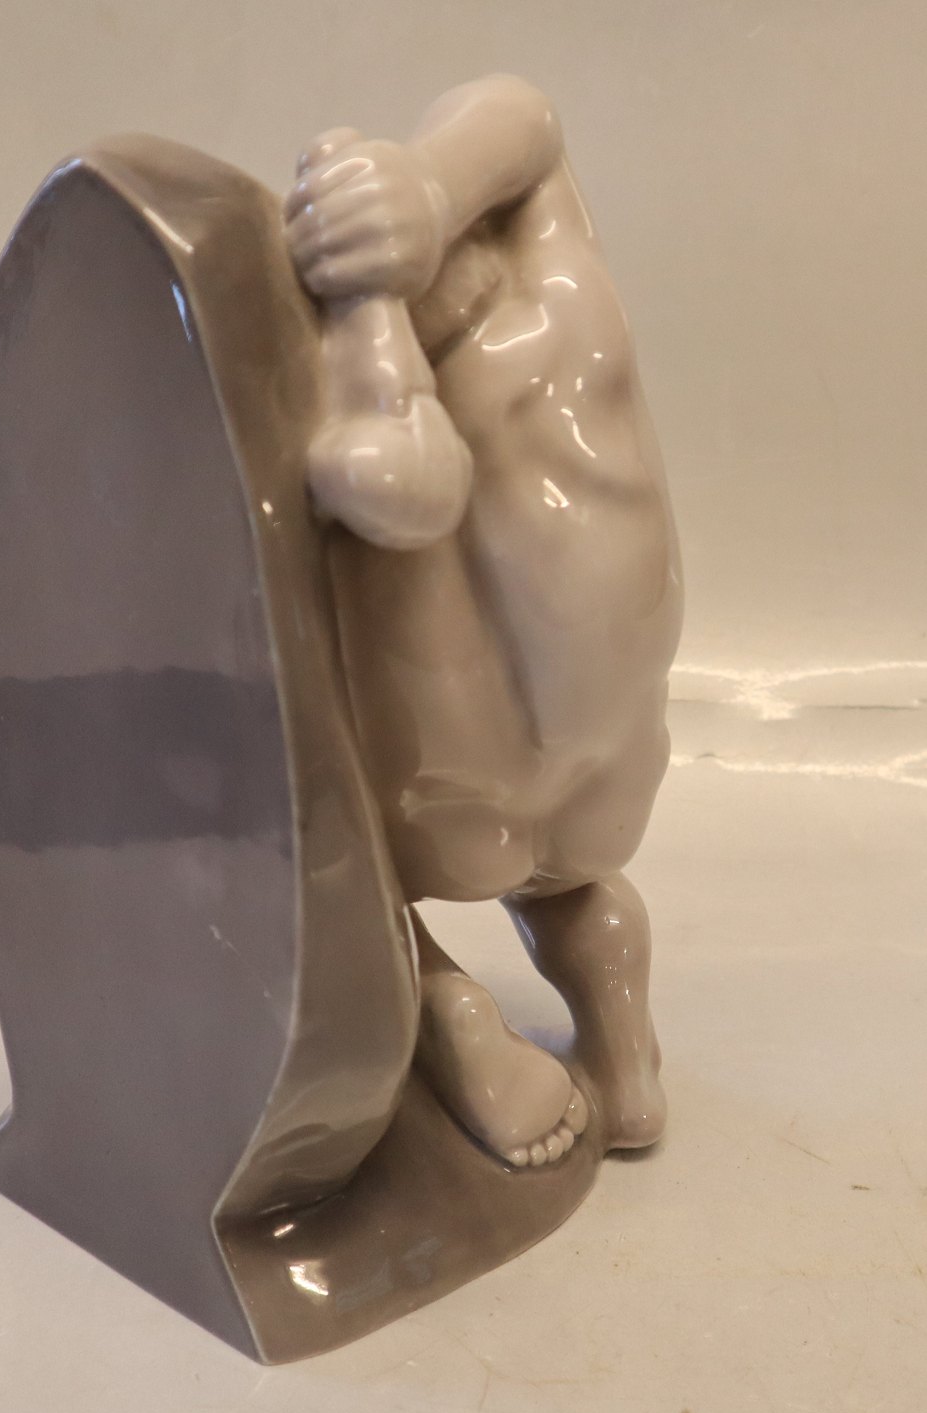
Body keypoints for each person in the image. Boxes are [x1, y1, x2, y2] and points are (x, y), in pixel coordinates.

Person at [284, 75, 683, 1168]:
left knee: (338, 879)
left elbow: (398, 490)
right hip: (610, 752)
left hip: (446, 780)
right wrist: (422, 194)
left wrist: (391, 247)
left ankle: (444, 1010)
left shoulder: (357, 373)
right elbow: (522, 116)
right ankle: (619, 1046)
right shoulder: (565, 293)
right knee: (577, 883)